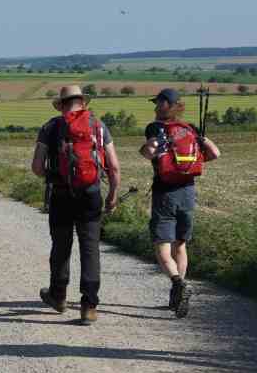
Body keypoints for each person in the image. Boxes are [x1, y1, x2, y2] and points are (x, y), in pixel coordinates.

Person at [30, 84, 122, 325]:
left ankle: (58, 296)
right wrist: (112, 194)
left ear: (61, 105)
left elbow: (37, 167)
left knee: (61, 246)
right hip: (91, 194)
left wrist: (55, 176)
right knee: (90, 248)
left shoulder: (50, 127)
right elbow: (113, 166)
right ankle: (89, 306)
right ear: (83, 102)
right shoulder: (98, 126)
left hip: (61, 195)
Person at [139, 88, 221, 317]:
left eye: (158, 103)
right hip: (188, 192)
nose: (156, 107)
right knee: (180, 245)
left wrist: (146, 150)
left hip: (164, 193)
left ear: (166, 105)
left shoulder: (155, 128)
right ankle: (176, 296)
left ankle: (178, 283)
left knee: (162, 246)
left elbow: (149, 152)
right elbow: (215, 154)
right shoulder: (190, 129)